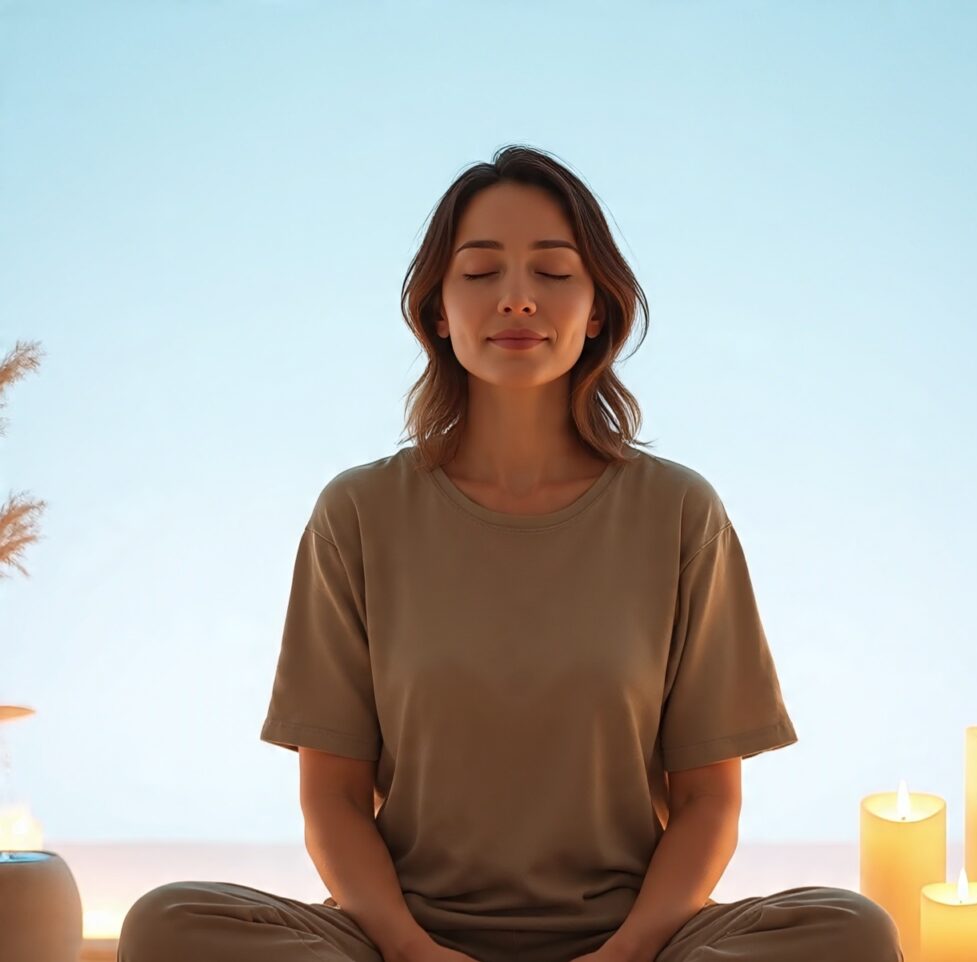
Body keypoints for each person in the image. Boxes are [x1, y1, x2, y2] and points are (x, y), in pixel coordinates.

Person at [117, 145, 904, 962]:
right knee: (168, 922)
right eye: (481, 271)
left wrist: (625, 955)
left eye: (554, 272)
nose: (518, 298)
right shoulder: (357, 514)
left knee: (849, 930)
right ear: (438, 310)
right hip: (403, 940)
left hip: (634, 942)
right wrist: (412, 952)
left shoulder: (678, 512)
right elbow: (333, 801)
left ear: (596, 311)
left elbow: (709, 802)